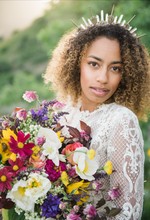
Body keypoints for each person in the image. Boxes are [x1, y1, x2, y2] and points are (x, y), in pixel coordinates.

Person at [44, 5, 150, 220]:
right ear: (76, 64)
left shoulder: (122, 120)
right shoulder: (61, 113)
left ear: (126, 74)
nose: (103, 77)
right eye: (94, 64)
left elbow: (127, 214)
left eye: (115, 68)